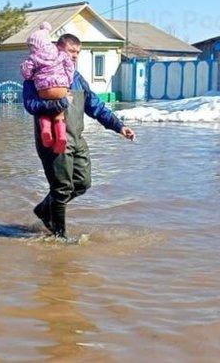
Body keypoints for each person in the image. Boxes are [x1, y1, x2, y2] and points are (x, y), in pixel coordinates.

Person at [24, 33, 136, 241]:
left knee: (82, 183)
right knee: (62, 188)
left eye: (78, 52)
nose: (74, 56)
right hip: (53, 142)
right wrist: (57, 104)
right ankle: (59, 236)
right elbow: (30, 105)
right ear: (58, 50)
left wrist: (119, 126)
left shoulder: (77, 79)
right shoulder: (37, 77)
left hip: (76, 139)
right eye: (70, 51)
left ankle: (44, 209)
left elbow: (95, 106)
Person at [20, 21, 75, 154]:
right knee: (59, 112)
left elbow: (26, 72)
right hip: (61, 88)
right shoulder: (59, 53)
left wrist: (31, 77)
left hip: (44, 89)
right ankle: (61, 136)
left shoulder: (34, 57)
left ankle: (46, 130)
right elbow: (69, 65)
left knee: (44, 111)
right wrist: (68, 79)